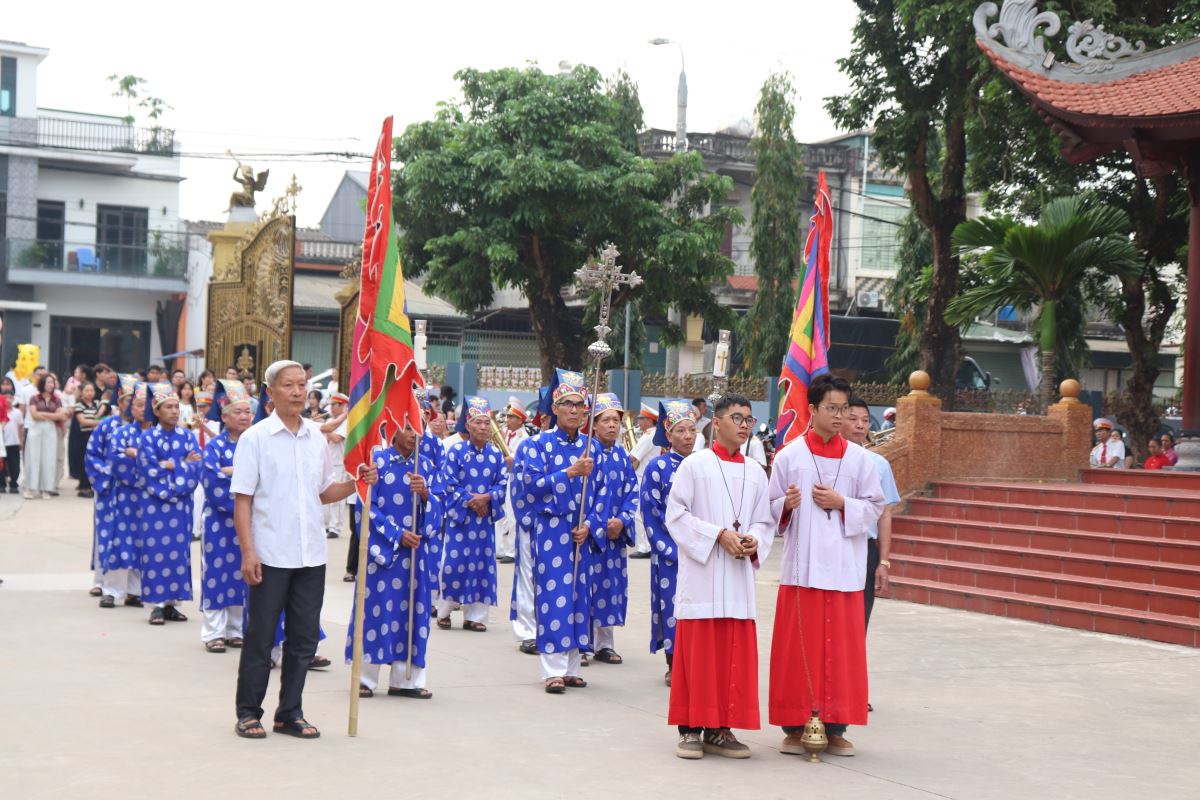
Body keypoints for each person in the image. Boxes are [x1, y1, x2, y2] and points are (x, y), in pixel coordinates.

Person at [231, 360, 376, 741]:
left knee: (304, 638)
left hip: (311, 554)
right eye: (289, 385)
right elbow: (242, 500)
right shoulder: (255, 438)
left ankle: (289, 713)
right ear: (271, 392)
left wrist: (357, 483)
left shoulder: (315, 437)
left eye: (302, 385)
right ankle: (248, 712)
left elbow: (324, 491)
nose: (298, 392)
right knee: (262, 636)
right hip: (270, 554)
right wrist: (248, 552)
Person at [767, 375, 885, 759]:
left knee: (841, 652)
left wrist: (842, 503)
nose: (839, 416)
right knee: (798, 648)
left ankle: (836, 727)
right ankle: (793, 726)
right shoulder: (789, 457)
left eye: (843, 409)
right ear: (812, 409)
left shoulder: (860, 459)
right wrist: (785, 505)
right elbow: (768, 509)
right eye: (831, 408)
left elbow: (875, 506)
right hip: (802, 569)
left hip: (845, 567)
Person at [666, 393, 775, 760]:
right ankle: (690, 729)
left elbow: (764, 521)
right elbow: (676, 516)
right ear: (716, 422)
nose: (744, 425)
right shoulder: (694, 465)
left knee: (731, 656)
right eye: (737, 418)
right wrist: (718, 535)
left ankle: (720, 729)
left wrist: (753, 539)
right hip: (704, 575)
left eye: (749, 419)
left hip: (738, 577)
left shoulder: (756, 471)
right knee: (699, 655)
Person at [347, 423, 442, 699]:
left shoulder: (425, 465)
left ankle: (405, 680)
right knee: (375, 610)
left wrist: (426, 494)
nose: (414, 435)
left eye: (418, 430)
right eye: (408, 428)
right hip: (383, 554)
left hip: (415, 554)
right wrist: (396, 534)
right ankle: (365, 678)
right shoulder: (377, 462)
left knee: (412, 613)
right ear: (393, 429)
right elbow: (365, 506)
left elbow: (441, 506)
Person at [523, 369, 598, 693]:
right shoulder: (537, 445)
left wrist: (591, 524)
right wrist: (568, 472)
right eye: (567, 404)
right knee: (554, 596)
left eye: (579, 405)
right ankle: (552, 669)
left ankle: (571, 667)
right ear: (554, 408)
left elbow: (602, 493)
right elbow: (531, 485)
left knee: (580, 597)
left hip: (581, 532)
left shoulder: (591, 447)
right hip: (552, 530)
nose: (574, 410)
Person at [436, 396, 507, 631]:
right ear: (468, 425)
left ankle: (476, 617)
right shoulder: (455, 451)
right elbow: (448, 483)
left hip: (484, 521)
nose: (483, 427)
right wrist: (471, 500)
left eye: (487, 423)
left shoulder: (496, 455)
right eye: (478, 422)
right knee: (453, 564)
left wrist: (486, 498)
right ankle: (444, 612)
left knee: (482, 566)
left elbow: (502, 483)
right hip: (461, 519)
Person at [640, 401, 696, 686]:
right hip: (670, 553)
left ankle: (696, 663)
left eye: (692, 430)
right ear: (669, 435)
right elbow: (650, 513)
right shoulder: (657, 467)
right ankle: (674, 663)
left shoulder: (704, 464)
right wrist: (669, 549)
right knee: (672, 607)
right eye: (681, 431)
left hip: (701, 552)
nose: (688, 436)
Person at [137, 382, 203, 625]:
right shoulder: (147, 438)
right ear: (156, 411)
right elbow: (148, 470)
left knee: (179, 551)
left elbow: (197, 466)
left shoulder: (188, 436)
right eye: (168, 407)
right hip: (154, 504)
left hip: (181, 505)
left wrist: (171, 466)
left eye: (176, 407)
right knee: (155, 551)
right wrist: (180, 465)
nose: (174, 411)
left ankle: (173, 603)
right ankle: (156, 604)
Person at [199, 380, 255, 653]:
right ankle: (213, 632)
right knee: (216, 572)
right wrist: (243, 485)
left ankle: (236, 630)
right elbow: (213, 483)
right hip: (219, 523)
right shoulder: (214, 447)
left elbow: (265, 479)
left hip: (251, 523)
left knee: (243, 573)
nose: (244, 416)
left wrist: (231, 471)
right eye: (238, 412)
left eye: (248, 411)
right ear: (224, 416)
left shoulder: (256, 445)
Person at [586, 392, 638, 666]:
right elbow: (581, 494)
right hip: (589, 537)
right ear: (594, 425)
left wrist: (622, 521)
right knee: (586, 587)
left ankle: (604, 644)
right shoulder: (585, 453)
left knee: (610, 587)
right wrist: (597, 524)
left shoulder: (621, 456)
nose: (611, 425)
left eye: (616, 421)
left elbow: (632, 492)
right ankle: (582, 644)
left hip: (615, 537)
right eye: (605, 420)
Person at [102, 380, 149, 608]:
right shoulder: (121, 433)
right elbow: (116, 460)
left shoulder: (157, 435)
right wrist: (147, 464)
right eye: (137, 405)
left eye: (145, 405)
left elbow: (166, 464)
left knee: (143, 543)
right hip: (125, 496)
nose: (141, 409)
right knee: (120, 541)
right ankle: (110, 590)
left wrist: (136, 454)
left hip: (150, 498)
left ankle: (134, 591)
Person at [87, 377, 132, 603]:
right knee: (105, 532)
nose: (132, 405)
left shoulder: (144, 428)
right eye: (127, 400)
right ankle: (100, 580)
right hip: (108, 487)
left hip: (131, 490)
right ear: (120, 402)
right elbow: (92, 454)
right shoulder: (106, 425)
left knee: (131, 536)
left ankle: (131, 588)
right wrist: (109, 473)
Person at [495, 397, 529, 564]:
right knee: (500, 513)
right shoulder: (505, 432)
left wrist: (511, 459)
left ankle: (511, 550)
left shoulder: (524, 437)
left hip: (514, 479)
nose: (508, 420)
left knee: (512, 514)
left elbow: (520, 458)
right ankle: (500, 548)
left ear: (520, 420)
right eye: (507, 416)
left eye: (512, 417)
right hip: (502, 477)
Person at [25, 373, 69, 499]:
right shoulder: (34, 398)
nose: (51, 384)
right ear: (43, 383)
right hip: (36, 429)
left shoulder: (56, 399)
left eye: (52, 382)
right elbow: (34, 415)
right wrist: (52, 415)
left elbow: (61, 416)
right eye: (49, 382)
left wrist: (43, 414)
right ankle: (30, 488)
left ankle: (46, 489)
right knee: (33, 457)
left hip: (50, 429)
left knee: (49, 458)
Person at [628, 403, 660, 559]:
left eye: (641, 418)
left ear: (649, 420)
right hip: (650, 477)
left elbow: (633, 457)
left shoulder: (648, 436)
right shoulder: (655, 434)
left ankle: (645, 547)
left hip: (642, 477)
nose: (639, 421)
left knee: (639, 513)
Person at [70, 381, 102, 497]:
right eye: (87, 390)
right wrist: (99, 422)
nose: (89, 393)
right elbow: (83, 421)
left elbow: (107, 414)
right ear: (82, 392)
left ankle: (93, 485)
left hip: (96, 436)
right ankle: (84, 486)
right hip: (84, 436)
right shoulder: (79, 405)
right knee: (85, 460)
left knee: (95, 460)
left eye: (91, 390)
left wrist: (97, 422)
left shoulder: (98, 404)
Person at [3, 380, 23, 493]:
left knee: (15, 465)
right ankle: (1, 484)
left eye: (10, 398)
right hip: (2, 443)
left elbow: (20, 427)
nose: (8, 400)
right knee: (2, 466)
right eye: (5, 398)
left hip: (14, 442)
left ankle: (14, 484)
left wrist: (21, 441)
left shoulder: (17, 413)